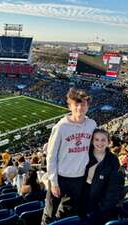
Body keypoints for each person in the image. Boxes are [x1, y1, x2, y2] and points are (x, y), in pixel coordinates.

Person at [42, 87, 97, 224]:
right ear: (70, 106)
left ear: (88, 105)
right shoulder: (61, 127)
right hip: (60, 177)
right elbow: (51, 156)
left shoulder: (92, 124)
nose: (80, 108)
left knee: (67, 212)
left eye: (83, 104)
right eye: (76, 104)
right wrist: (53, 181)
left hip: (79, 178)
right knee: (49, 212)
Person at [80, 129, 125, 225]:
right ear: (92, 141)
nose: (99, 143)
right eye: (96, 139)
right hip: (83, 207)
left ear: (109, 142)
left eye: (103, 140)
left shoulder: (113, 159)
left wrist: (100, 209)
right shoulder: (84, 157)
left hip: (101, 210)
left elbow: (114, 189)